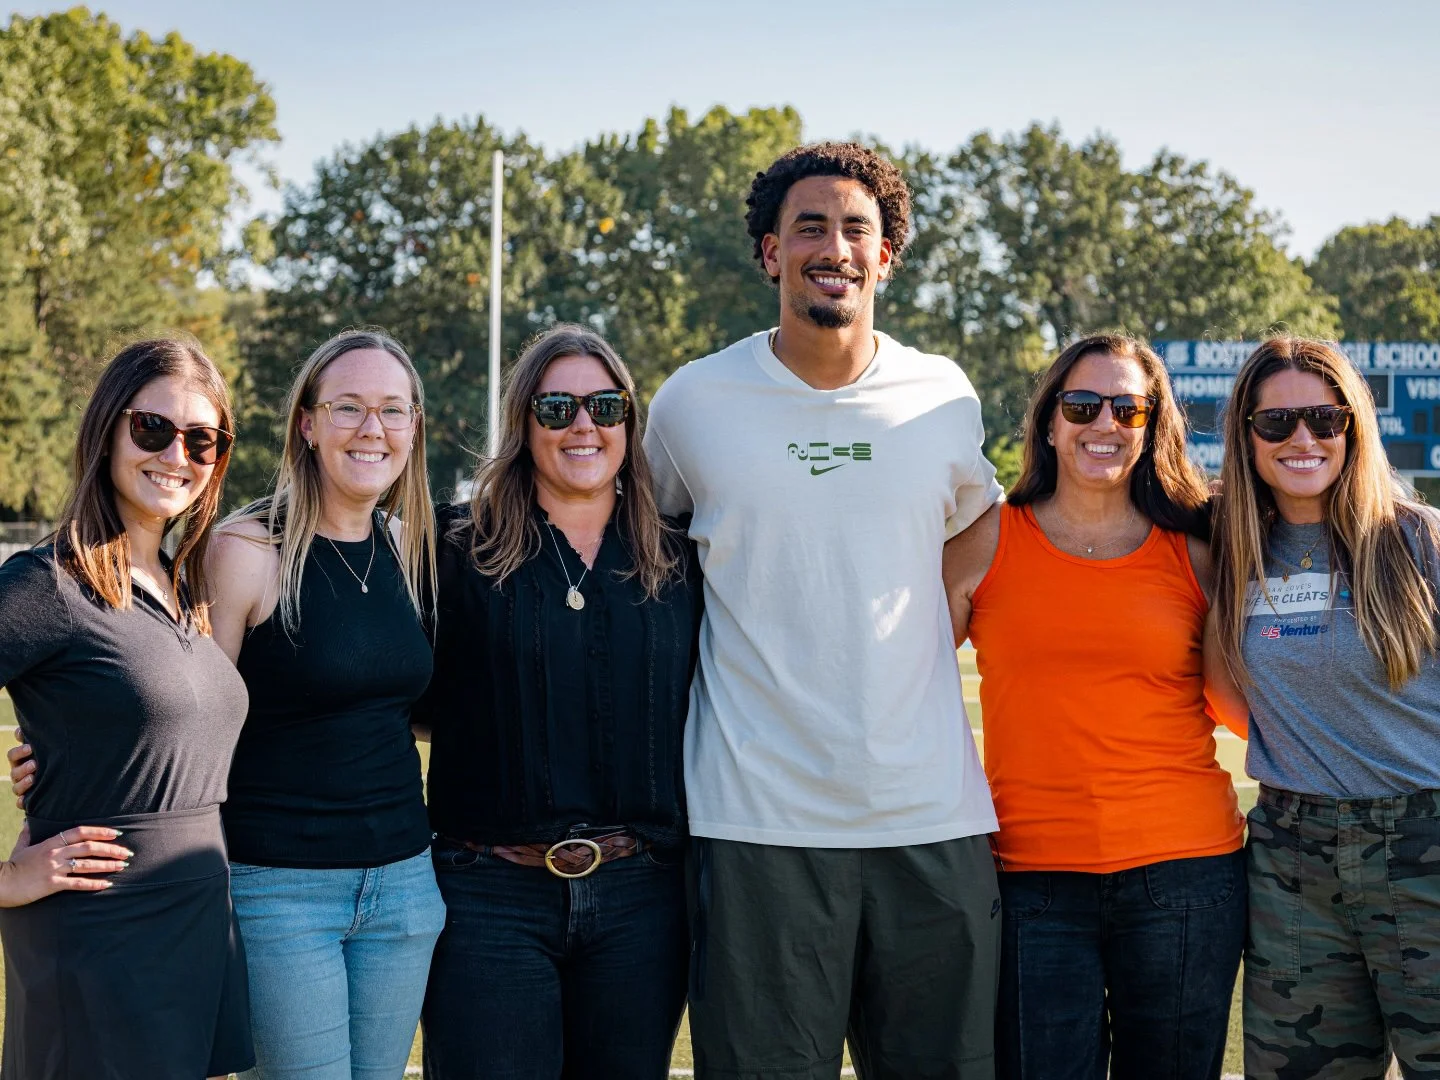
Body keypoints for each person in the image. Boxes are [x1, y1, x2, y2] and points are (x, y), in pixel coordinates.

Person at [644, 143, 1003, 1079]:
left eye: (856, 229)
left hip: (930, 815)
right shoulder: (692, 402)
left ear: (886, 258)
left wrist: (941, 610)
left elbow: (981, 518)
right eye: (809, 226)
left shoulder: (943, 395)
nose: (832, 246)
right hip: (757, 820)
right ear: (770, 252)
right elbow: (649, 544)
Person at [944, 334, 1246, 1080]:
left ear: (1152, 426)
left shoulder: (1200, 548)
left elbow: (1248, 698)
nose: (1103, 424)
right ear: (1049, 422)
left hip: (1186, 877)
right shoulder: (986, 539)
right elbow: (893, 679)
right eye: (1081, 406)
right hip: (1030, 881)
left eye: (1127, 408)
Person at [418, 324, 700, 1080]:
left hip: (641, 898)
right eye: (559, 409)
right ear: (523, 422)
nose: (585, 426)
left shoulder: (680, 558)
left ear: (630, 425)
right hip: (487, 899)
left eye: (607, 408)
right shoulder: (454, 551)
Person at [0, 337, 253, 1079]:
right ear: (108, 427)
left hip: (198, 926)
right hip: (98, 939)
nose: (177, 454)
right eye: (153, 429)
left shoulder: (185, 584)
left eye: (202, 440)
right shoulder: (46, 584)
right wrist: (7, 879)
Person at [1210, 337, 1440, 1079]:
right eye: (1276, 423)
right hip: (1292, 859)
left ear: (1352, 427)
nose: (1302, 439)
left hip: (1425, 841)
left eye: (1324, 419)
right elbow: (1226, 692)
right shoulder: (1227, 546)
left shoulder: (1418, 541)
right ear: (1246, 435)